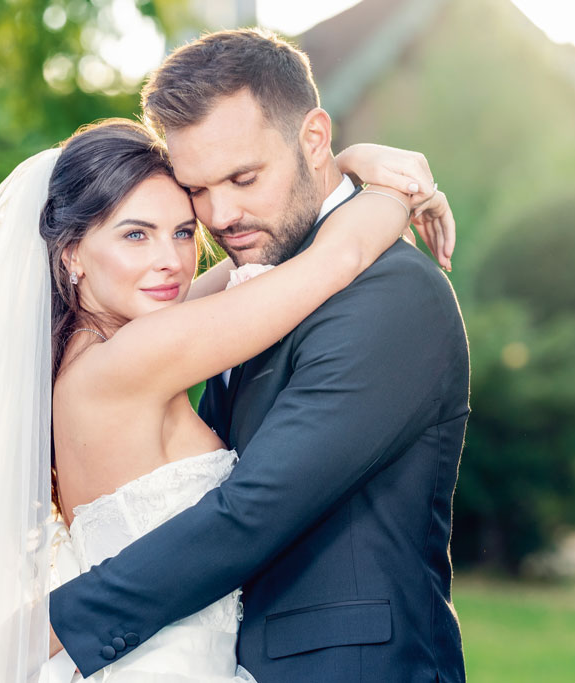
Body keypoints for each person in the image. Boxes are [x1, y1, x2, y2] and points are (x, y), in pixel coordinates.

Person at [0, 115, 452, 681]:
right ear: (71, 251)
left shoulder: (90, 353)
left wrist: (343, 164)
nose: (170, 261)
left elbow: (249, 274)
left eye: (183, 232)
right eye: (136, 235)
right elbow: (335, 257)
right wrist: (393, 186)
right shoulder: (138, 355)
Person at [48, 29, 470, 683]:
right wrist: (368, 174)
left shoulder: (391, 294)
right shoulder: (241, 296)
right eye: (200, 190)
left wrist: (60, 624)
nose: (221, 215)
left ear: (312, 139)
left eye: (244, 177)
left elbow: (252, 510)